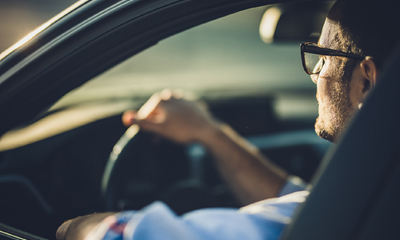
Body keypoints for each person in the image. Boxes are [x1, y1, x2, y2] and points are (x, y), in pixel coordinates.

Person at [56, 0, 400, 239]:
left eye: (323, 59)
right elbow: (305, 199)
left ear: (366, 80)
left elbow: (129, 236)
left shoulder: (341, 219)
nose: (315, 76)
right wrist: (209, 135)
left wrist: (69, 229)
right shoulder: (375, 192)